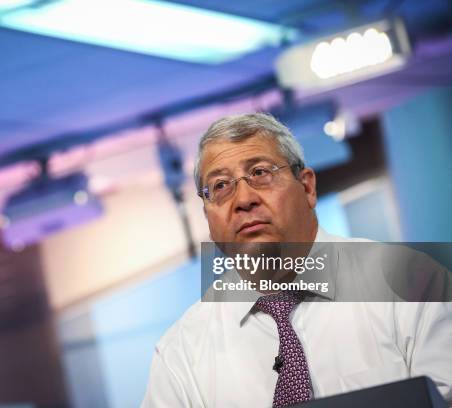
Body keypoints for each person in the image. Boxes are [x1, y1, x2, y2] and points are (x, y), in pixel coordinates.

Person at [141, 113, 452, 407]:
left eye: (260, 173)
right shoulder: (181, 353)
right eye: (220, 186)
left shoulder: (412, 284)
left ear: (307, 187)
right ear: (207, 214)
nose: (243, 200)